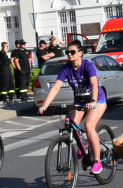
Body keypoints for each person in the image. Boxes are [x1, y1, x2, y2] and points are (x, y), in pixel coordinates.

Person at [37, 42, 107, 174]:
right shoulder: (66, 68)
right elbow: (56, 87)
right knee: (70, 122)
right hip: (79, 101)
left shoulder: (88, 65)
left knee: (89, 126)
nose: (69, 54)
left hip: (96, 99)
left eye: (72, 52)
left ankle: (97, 162)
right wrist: (45, 105)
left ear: (80, 53)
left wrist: (93, 101)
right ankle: (83, 144)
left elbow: (94, 84)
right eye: (67, 52)